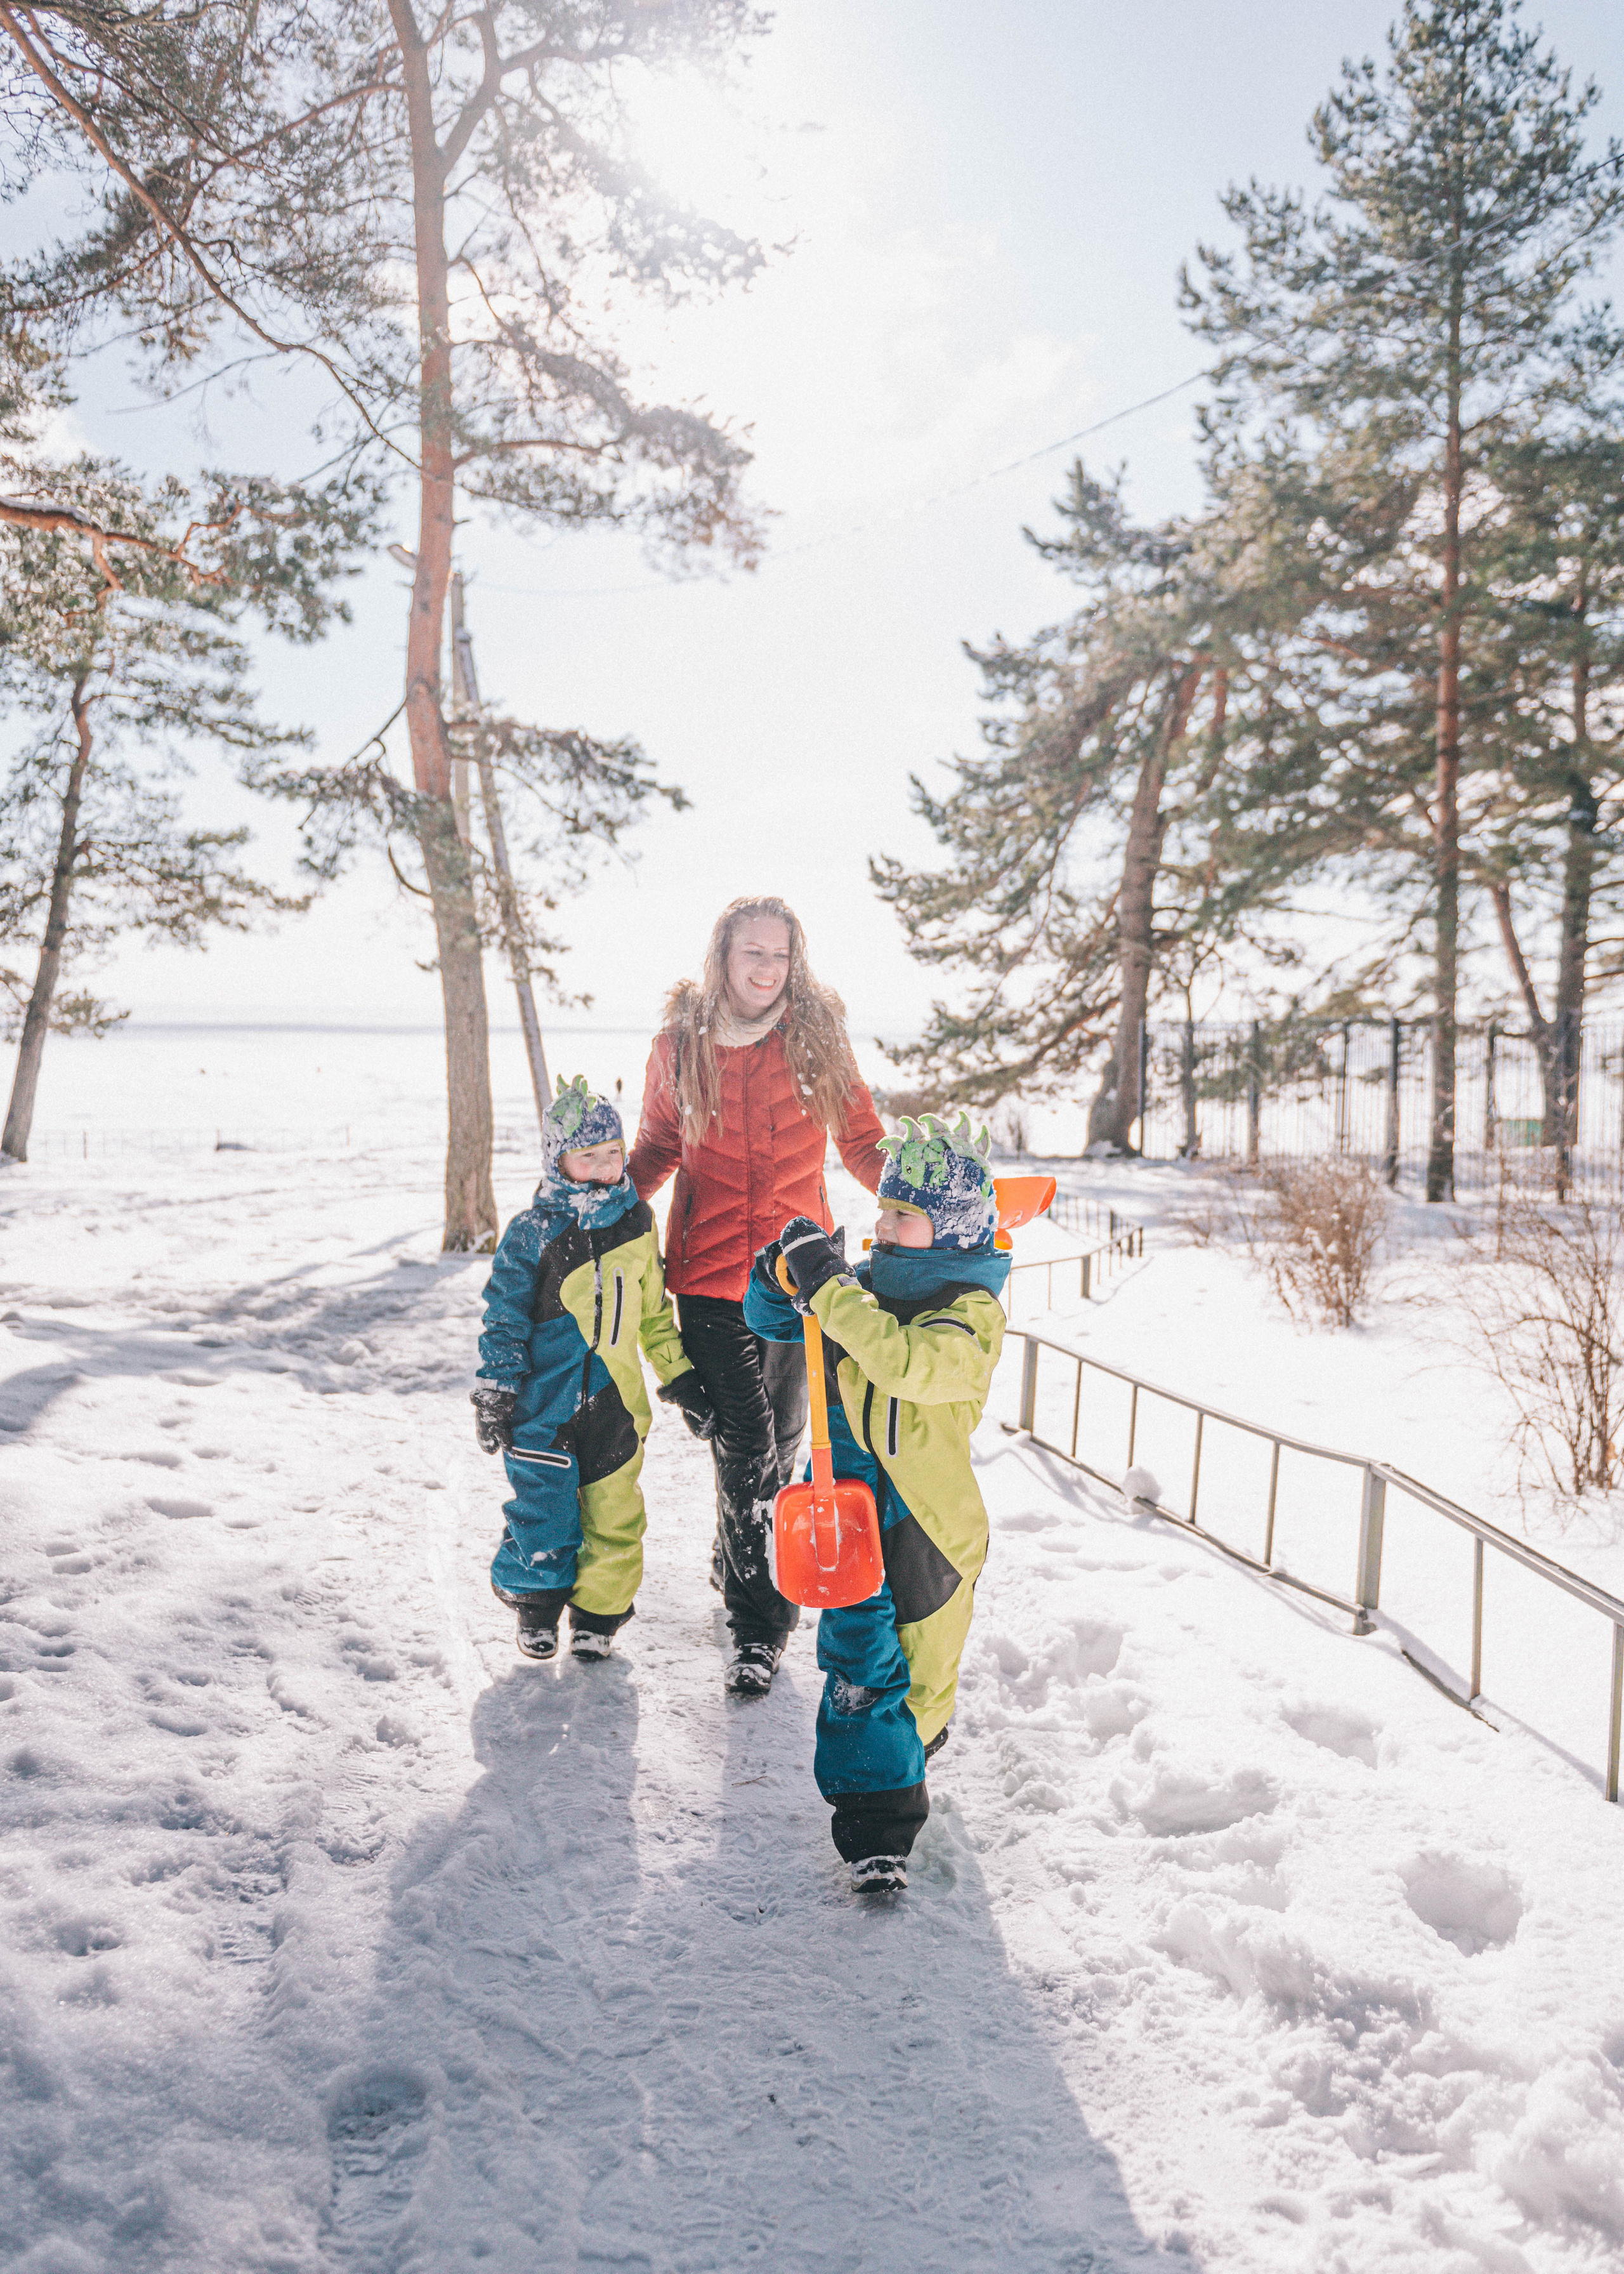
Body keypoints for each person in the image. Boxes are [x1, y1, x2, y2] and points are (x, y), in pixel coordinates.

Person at [627, 896, 887, 1698]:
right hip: (708, 1277)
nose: (768, 968)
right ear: (723, 955)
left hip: (797, 1277)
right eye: (754, 952)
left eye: (780, 954)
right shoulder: (681, 1044)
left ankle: (734, 1552)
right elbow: (660, 1142)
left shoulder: (815, 1037)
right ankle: (759, 1625)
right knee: (745, 1441)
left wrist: (920, 1195)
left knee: (783, 1440)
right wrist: (604, 1205)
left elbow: (861, 1140)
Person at [743, 1114, 1009, 1895]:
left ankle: (911, 1743)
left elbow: (904, 1363)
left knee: (921, 1673)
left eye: (903, 1215)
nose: (882, 1225)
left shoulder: (969, 1313)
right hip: (846, 1507)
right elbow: (774, 1322)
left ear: (951, 1229)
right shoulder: (857, 1289)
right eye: (883, 1209)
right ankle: (876, 1826)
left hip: (930, 1526)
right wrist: (779, 1275)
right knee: (860, 1661)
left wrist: (829, 1287)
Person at [471, 1075, 717, 1664]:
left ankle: (598, 1616)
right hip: (541, 1407)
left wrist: (681, 1380)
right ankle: (536, 1607)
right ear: (558, 1162)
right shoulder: (532, 1233)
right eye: (589, 1157)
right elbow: (504, 1317)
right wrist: (497, 1389)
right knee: (545, 1515)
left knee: (615, 1518)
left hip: (617, 1406)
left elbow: (654, 1315)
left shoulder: (636, 1224)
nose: (606, 1167)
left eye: (614, 1153)